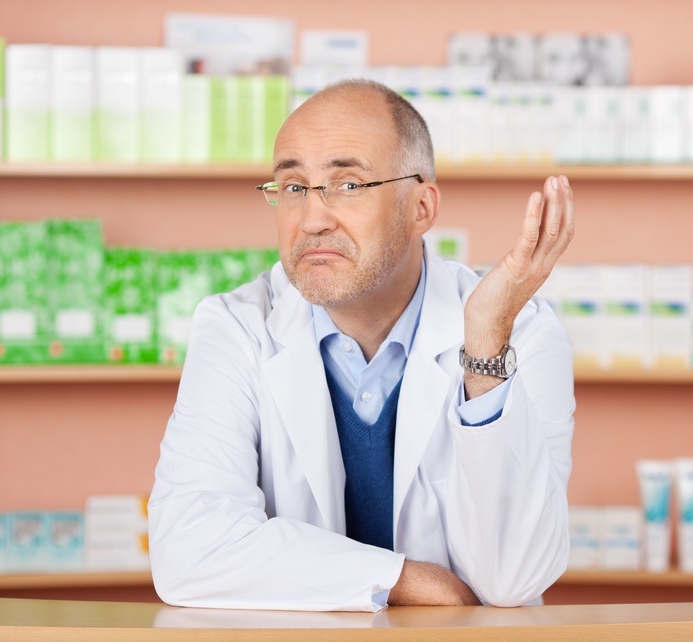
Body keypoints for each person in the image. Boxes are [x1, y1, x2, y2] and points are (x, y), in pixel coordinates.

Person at [148, 79, 576, 612]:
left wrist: (485, 346)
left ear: (421, 207)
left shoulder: (522, 334)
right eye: (293, 188)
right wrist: (403, 580)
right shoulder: (237, 328)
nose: (312, 219)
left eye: (348, 185)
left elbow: (514, 577)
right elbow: (188, 551)